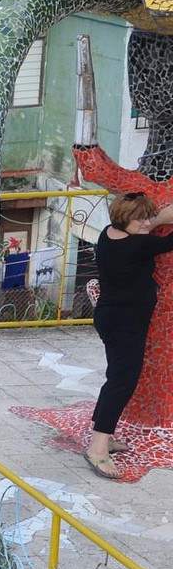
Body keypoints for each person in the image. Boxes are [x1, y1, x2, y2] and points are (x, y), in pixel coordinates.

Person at [88, 191, 173, 479]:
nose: (147, 223)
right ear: (125, 219)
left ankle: (103, 433)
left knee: (116, 378)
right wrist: (162, 218)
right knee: (122, 382)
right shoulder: (138, 245)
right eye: (140, 218)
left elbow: (149, 226)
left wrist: (152, 218)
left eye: (149, 216)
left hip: (115, 319)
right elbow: (168, 241)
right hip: (124, 324)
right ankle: (97, 448)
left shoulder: (108, 234)